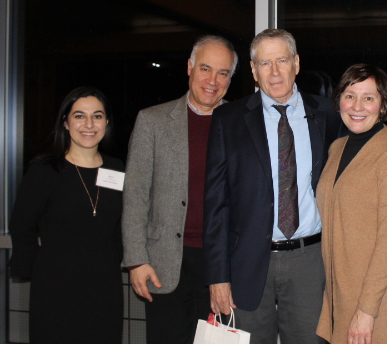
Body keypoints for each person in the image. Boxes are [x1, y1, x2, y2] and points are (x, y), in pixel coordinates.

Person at [203, 28, 344, 344]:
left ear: (296, 62)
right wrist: (217, 277)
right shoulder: (228, 119)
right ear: (254, 70)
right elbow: (215, 205)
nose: (275, 71)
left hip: (311, 261)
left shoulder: (328, 114)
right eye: (265, 63)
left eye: (282, 60)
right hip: (247, 263)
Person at [122, 35, 237, 344]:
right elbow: (135, 195)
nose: (213, 80)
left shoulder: (241, 125)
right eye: (205, 68)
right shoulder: (152, 121)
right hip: (162, 264)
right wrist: (135, 259)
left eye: (223, 73)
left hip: (221, 265)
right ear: (189, 67)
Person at [9, 87, 124, 344]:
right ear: (65, 122)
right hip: (55, 285)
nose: (89, 124)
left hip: (104, 285)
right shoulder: (45, 171)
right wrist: (30, 267)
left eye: (97, 116)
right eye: (79, 116)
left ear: (106, 122)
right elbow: (22, 224)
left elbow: (123, 223)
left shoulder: (118, 169)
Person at [316, 64, 387, 344]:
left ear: (383, 105)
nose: (357, 106)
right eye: (349, 95)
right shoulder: (337, 148)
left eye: (369, 98)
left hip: (375, 304)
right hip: (340, 296)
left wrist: (367, 309)